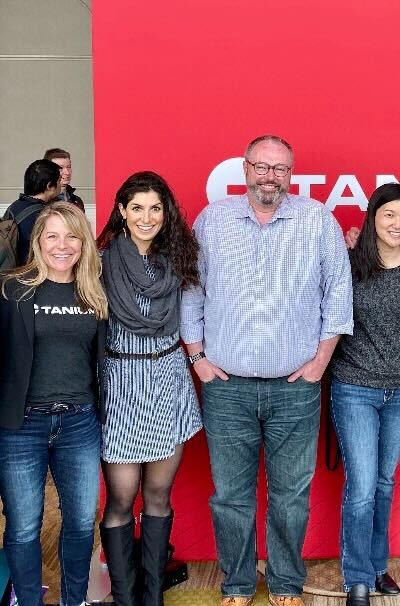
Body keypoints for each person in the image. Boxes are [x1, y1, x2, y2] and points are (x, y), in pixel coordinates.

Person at [180, 134, 353, 606]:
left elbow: (338, 293)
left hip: (296, 387)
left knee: (291, 497)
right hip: (227, 387)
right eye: (262, 167)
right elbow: (192, 292)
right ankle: (236, 585)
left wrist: (321, 360)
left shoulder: (317, 221)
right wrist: (197, 356)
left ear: (291, 174)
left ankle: (285, 583)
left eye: (280, 169)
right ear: (245, 168)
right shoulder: (213, 221)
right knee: (230, 497)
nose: (270, 176)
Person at [96, 171, 203, 606]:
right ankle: (125, 598)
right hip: (121, 381)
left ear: (166, 213)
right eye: (136, 207)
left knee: (158, 495)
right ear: (121, 211)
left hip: (166, 377)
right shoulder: (99, 261)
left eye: (155, 208)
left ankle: (152, 594)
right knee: (121, 498)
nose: (146, 217)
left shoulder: (176, 259)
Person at [0, 202, 108, 606]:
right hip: (21, 425)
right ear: (38, 242)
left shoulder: (94, 292)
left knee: (81, 522)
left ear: (83, 242)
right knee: (25, 526)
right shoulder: (11, 290)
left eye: (71, 236)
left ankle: (74, 600)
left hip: (79, 423)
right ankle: (28, 600)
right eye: (52, 236)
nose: (62, 246)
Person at [330, 183, 400, 606]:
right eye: (388, 215)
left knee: (384, 482)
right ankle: (357, 579)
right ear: (372, 218)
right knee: (363, 485)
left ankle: (378, 565)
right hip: (355, 386)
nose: (397, 224)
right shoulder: (350, 263)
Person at [6, 159, 62, 265]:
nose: (60, 184)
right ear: (49, 186)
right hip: (32, 275)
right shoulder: (45, 216)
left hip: (11, 274)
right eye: (59, 180)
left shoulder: (13, 207)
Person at [44, 148, 86, 212]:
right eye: (60, 168)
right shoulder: (42, 201)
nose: (67, 172)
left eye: (69, 167)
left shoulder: (77, 201)